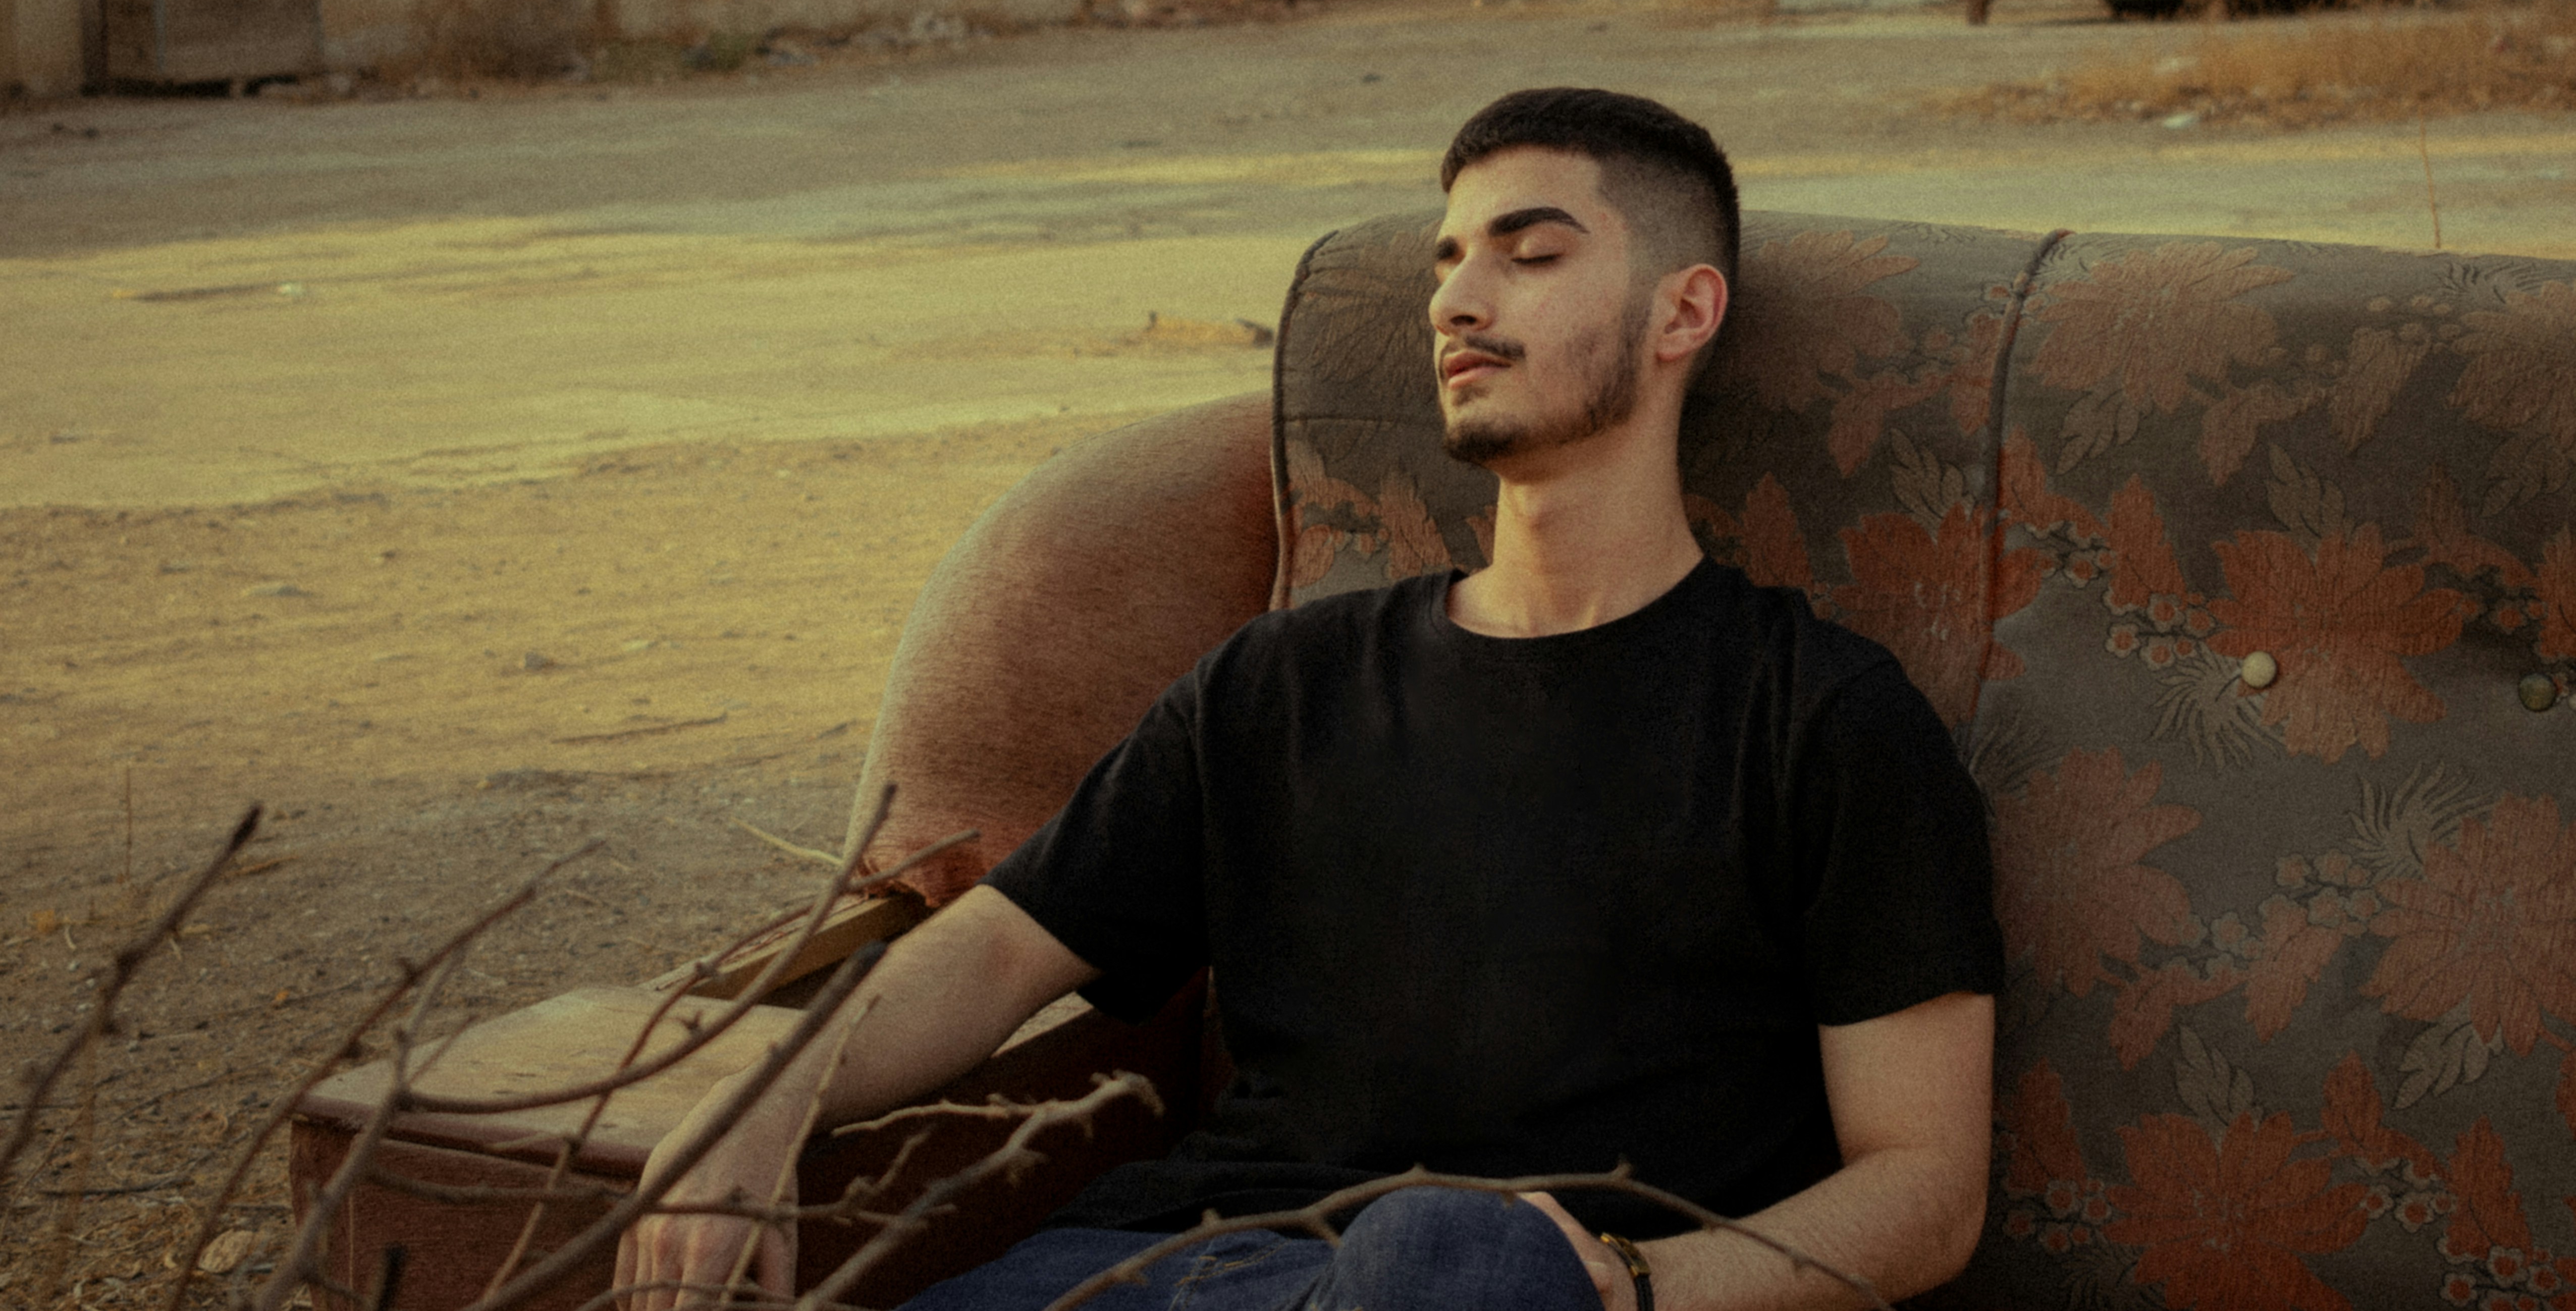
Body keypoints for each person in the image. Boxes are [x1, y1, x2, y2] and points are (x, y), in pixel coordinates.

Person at [616, 88, 2005, 1311]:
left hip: (1514, 1281)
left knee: (1449, 1253)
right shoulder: (1280, 678)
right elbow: (987, 956)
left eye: (1530, 255)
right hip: (1161, 1266)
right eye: (1449, 263)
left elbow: (1924, 1188)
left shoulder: (1816, 716)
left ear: (1681, 311)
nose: (1459, 301)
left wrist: (1636, 1284)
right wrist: (762, 1091)